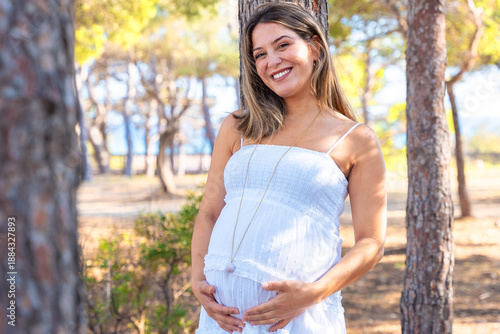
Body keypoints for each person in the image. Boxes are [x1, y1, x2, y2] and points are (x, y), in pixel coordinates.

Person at [191, 2, 387, 333]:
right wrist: (197, 279)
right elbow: (210, 211)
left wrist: (311, 294)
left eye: (283, 45)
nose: (272, 61)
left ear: (314, 47)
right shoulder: (238, 127)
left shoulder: (356, 139)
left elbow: (371, 243)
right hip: (223, 321)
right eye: (260, 54)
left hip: (300, 321)